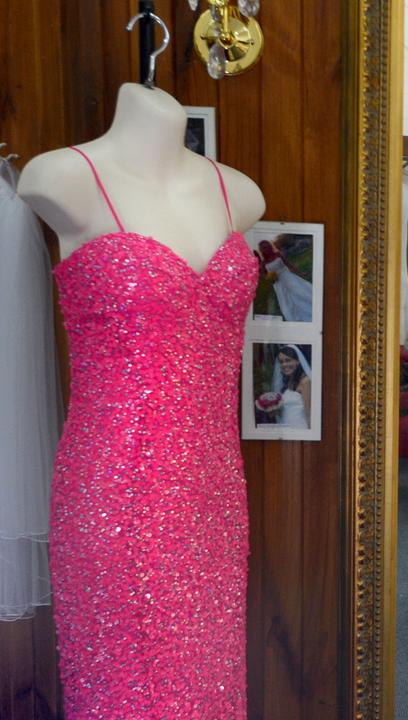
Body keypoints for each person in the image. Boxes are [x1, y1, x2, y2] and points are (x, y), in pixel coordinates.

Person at [17, 82, 265, 716]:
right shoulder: (61, 177)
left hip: (214, 495)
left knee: (208, 685)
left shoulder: (238, 192)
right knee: (128, 687)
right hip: (117, 497)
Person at [256, 237, 313, 322]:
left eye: (267, 246)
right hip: (278, 283)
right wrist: (270, 277)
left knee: (299, 291)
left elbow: (289, 265)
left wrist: (301, 274)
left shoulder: (278, 254)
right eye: (264, 248)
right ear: (261, 250)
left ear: (270, 246)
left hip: (287, 276)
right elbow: (265, 275)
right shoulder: (264, 263)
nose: (266, 249)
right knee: (286, 301)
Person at [271, 344, 312, 428]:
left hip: (300, 429)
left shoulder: (305, 382)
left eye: (288, 360)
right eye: (281, 361)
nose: (284, 364)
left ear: (298, 361)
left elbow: (309, 414)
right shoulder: (287, 382)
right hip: (286, 428)